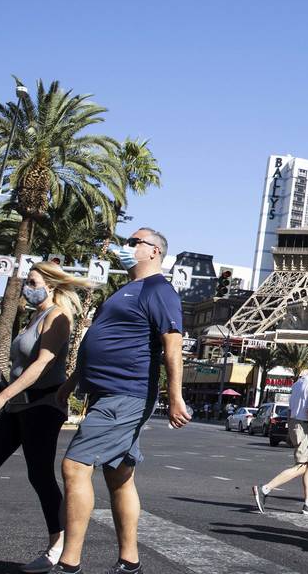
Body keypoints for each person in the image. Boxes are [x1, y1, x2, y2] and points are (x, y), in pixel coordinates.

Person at [53, 228, 190, 574]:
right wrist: (72, 381)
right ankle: (130, 562)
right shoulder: (127, 289)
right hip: (106, 392)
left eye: (134, 243)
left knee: (74, 466)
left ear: (155, 251)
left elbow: (172, 344)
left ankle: (68, 564)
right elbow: (98, 340)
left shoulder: (160, 289)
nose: (125, 248)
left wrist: (175, 396)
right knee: (120, 475)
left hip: (124, 393)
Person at [0, 262, 81, 572]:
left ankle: (57, 545)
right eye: (27, 280)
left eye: (33, 281)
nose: (27, 286)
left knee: (39, 475)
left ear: (50, 285)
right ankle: (57, 543)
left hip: (43, 406)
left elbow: (41, 366)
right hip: (18, 406)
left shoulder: (58, 318)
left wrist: (1, 396)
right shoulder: (33, 317)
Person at [252, 352, 308, 516]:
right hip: (304, 425)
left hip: (296, 424)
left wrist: (290, 430)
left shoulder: (298, 383)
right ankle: (265, 489)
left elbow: (289, 409)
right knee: (302, 466)